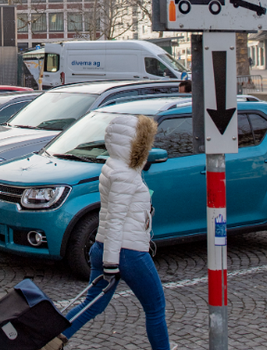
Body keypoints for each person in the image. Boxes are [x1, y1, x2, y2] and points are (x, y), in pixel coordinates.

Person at [47, 115, 173, 350]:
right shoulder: (125, 175)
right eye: (144, 142)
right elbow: (116, 218)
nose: (148, 147)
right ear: (133, 143)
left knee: (93, 303)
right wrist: (112, 263)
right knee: (155, 307)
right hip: (128, 251)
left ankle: (55, 339)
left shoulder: (114, 167)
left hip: (103, 245)